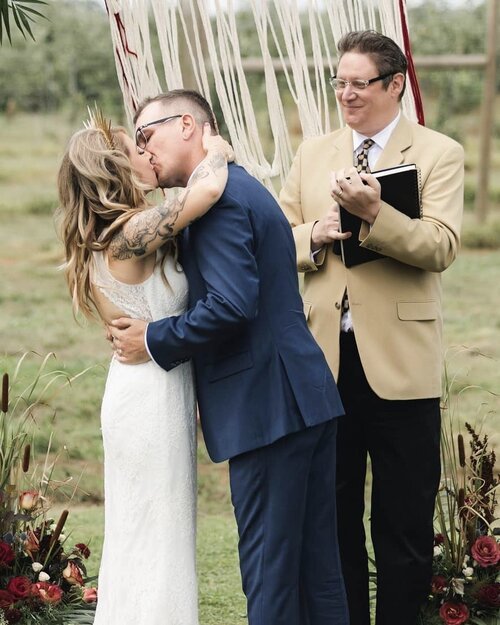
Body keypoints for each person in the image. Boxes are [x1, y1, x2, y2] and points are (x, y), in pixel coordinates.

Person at [111, 89, 349, 625]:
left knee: (270, 573)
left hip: (267, 407)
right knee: (315, 571)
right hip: (300, 397)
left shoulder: (217, 202)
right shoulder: (228, 185)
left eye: (148, 135)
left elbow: (230, 306)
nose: (145, 150)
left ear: (190, 127)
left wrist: (153, 338)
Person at [280, 30, 464, 625]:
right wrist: (314, 235)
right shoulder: (313, 153)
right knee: (332, 518)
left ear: (395, 85)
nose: (347, 95)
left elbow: (440, 246)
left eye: (359, 83)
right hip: (324, 363)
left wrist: (374, 214)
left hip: (402, 366)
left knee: (403, 524)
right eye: (340, 82)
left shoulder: (440, 152)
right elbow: (276, 242)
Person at [56, 115, 233, 625]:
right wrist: (213, 147)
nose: (146, 153)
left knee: (146, 527)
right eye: (136, 149)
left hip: (148, 386)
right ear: (116, 171)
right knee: (156, 530)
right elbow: (206, 192)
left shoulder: (107, 237)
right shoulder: (129, 234)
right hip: (150, 399)